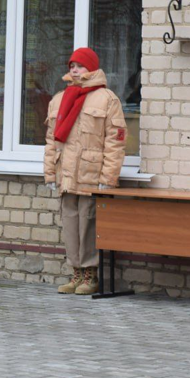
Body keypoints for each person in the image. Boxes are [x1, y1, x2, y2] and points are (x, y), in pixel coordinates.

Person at [44, 47, 127, 295]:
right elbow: (51, 140)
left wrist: (108, 178)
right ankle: (76, 273)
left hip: (92, 176)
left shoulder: (107, 98)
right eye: (71, 66)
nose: (75, 70)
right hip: (67, 174)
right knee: (70, 223)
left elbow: (116, 141)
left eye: (79, 65)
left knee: (89, 224)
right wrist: (50, 173)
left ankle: (90, 275)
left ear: (91, 68)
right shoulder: (60, 98)